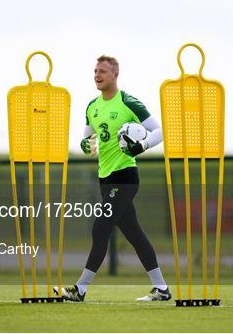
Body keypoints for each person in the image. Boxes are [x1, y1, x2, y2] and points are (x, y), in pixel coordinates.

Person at [54, 55, 170, 302]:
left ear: (116, 74)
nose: (97, 75)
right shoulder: (92, 107)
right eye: (95, 71)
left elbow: (160, 131)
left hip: (126, 177)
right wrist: (86, 145)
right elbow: (87, 141)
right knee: (135, 235)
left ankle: (80, 289)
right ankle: (161, 289)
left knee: (100, 227)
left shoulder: (128, 102)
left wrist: (142, 145)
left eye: (103, 71)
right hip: (105, 179)